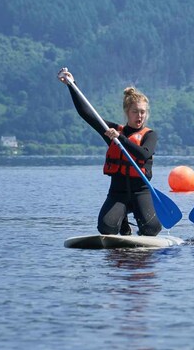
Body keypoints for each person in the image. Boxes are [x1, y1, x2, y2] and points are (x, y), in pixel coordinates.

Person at [57, 67, 161, 236]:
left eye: (142, 112)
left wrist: (120, 139)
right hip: (117, 192)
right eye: (135, 112)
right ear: (127, 112)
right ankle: (123, 224)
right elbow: (87, 114)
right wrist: (71, 84)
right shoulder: (111, 130)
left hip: (141, 192)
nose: (139, 116)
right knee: (106, 229)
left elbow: (143, 154)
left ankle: (140, 222)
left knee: (151, 229)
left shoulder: (150, 135)